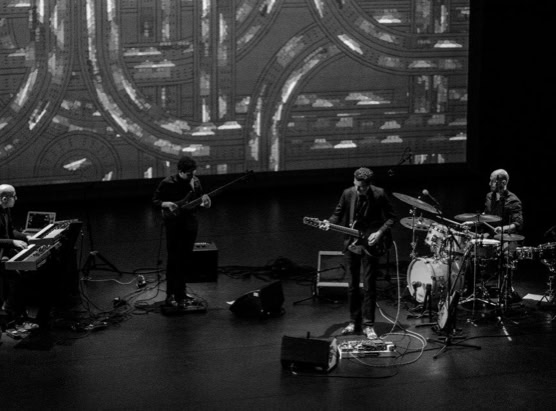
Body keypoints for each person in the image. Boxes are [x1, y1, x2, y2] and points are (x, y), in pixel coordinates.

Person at [320, 167, 396, 339]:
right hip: (352, 244)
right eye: (357, 185)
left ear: (369, 184)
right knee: (352, 286)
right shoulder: (348, 193)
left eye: (362, 187)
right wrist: (328, 222)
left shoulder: (379, 194)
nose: (359, 189)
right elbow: (337, 214)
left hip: (371, 244)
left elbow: (392, 217)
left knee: (369, 286)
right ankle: (354, 321)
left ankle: (368, 325)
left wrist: (379, 233)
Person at [153, 156, 211, 309]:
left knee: (186, 259)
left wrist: (205, 203)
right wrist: (167, 204)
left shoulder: (195, 181)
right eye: (188, 174)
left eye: (193, 173)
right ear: (180, 171)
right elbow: (155, 201)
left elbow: (199, 200)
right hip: (174, 225)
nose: (192, 176)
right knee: (174, 260)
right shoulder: (168, 183)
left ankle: (181, 292)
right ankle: (170, 295)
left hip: (190, 224)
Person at [0, 184, 29, 320]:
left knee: (21, 276)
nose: (16, 198)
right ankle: (7, 311)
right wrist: (12, 242)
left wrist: (27, 237)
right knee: (15, 279)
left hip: (4, 251)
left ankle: (13, 311)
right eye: (14, 196)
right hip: (1, 253)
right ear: (4, 199)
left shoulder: (6, 210)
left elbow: (11, 230)